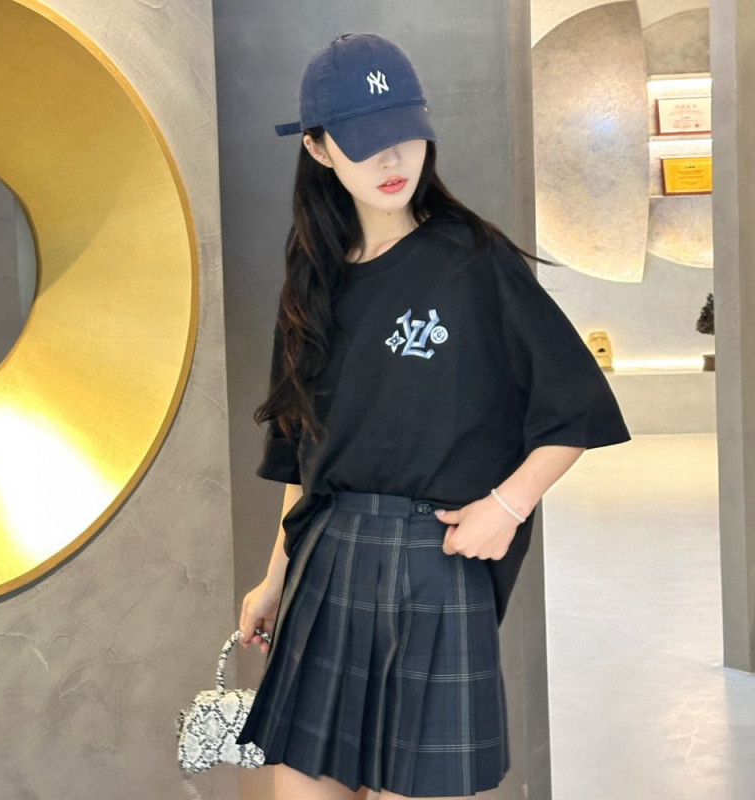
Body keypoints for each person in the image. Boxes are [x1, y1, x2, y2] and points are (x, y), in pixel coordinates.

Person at [235, 32, 631, 800]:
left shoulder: (473, 262)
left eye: (405, 134)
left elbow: (575, 408)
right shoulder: (312, 281)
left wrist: (507, 507)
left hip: (434, 566)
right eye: (365, 141)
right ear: (318, 149)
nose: (393, 160)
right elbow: (301, 455)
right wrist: (274, 577)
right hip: (326, 564)